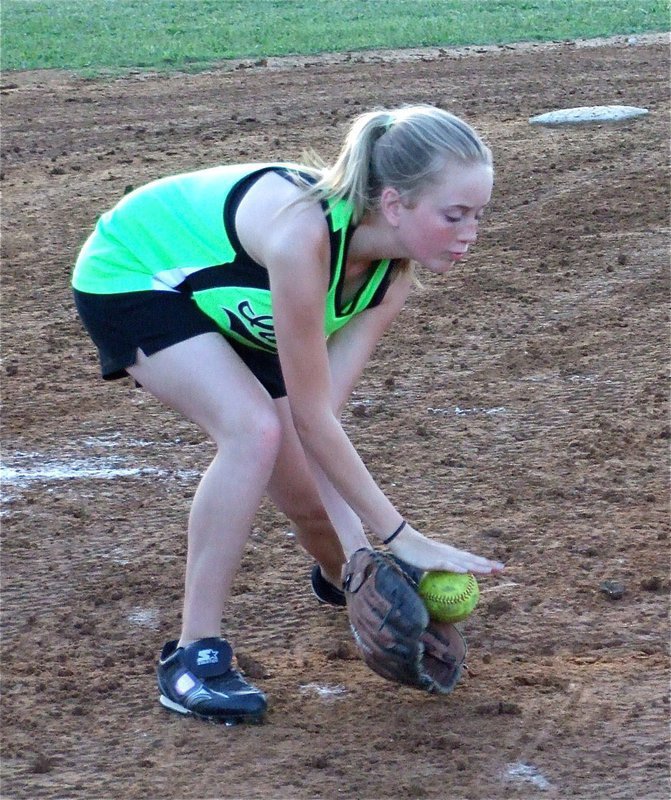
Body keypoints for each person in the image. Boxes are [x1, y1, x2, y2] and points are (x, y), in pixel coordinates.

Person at [71, 103, 504, 725]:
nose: (470, 233)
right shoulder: (302, 235)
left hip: (233, 299)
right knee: (254, 431)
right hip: (136, 273)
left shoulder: (390, 279)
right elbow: (299, 420)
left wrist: (359, 556)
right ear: (393, 204)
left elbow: (320, 417)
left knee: (300, 477)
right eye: (453, 215)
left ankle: (339, 577)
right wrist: (400, 538)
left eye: (477, 216)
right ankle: (194, 657)